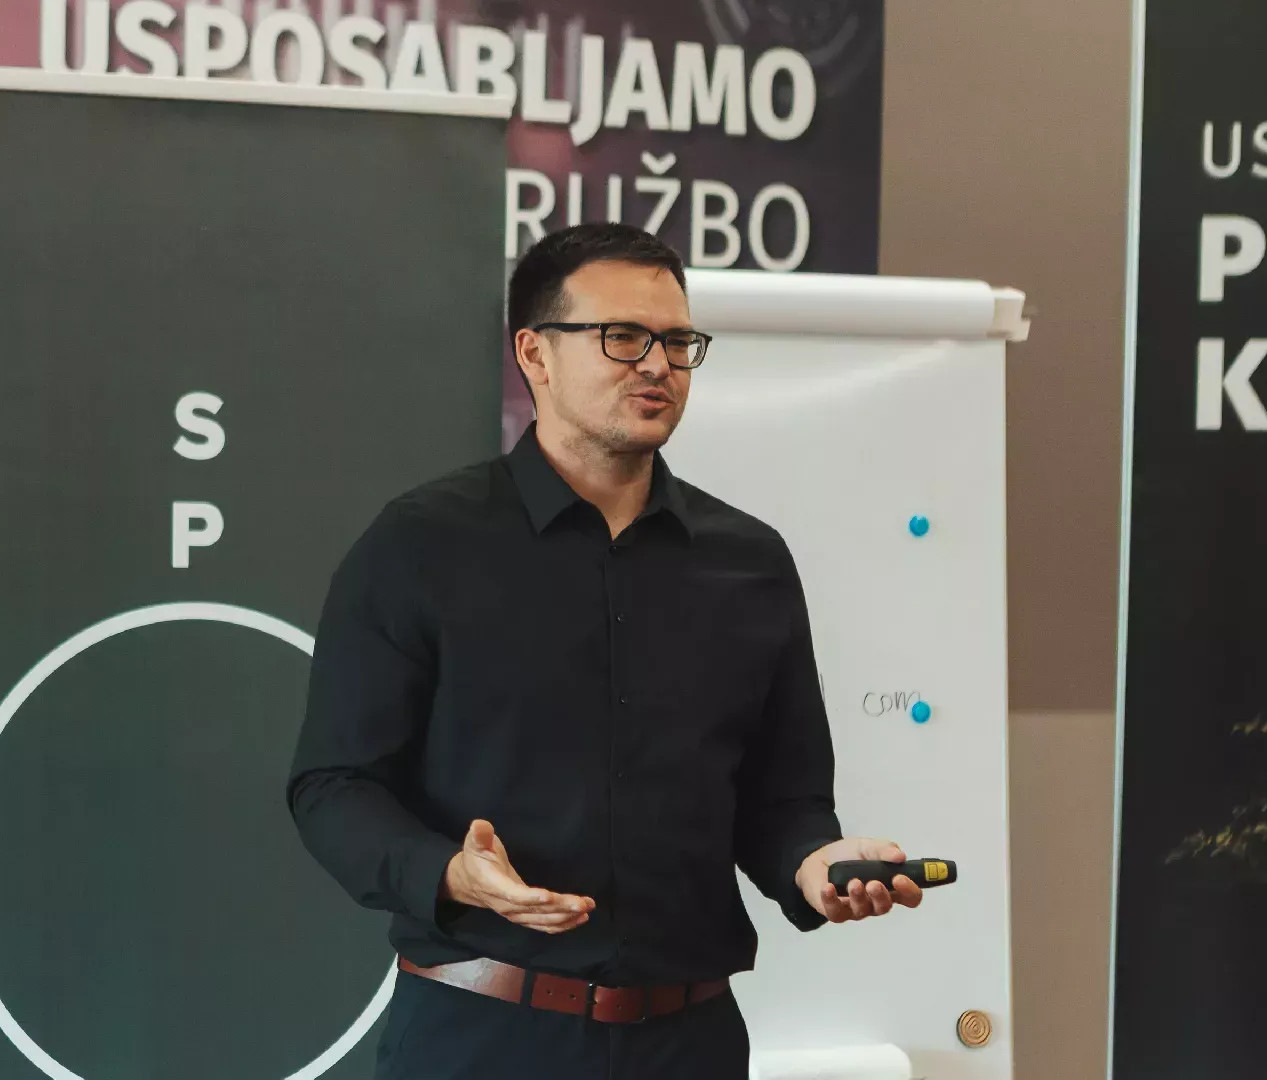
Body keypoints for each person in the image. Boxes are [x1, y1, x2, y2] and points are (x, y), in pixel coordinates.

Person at [286, 222, 921, 1080]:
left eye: (678, 342)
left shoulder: (750, 561)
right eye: (622, 337)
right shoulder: (420, 545)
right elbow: (333, 785)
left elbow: (784, 799)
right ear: (535, 354)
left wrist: (816, 865)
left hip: (689, 1044)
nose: (657, 365)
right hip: (481, 1036)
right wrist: (449, 874)